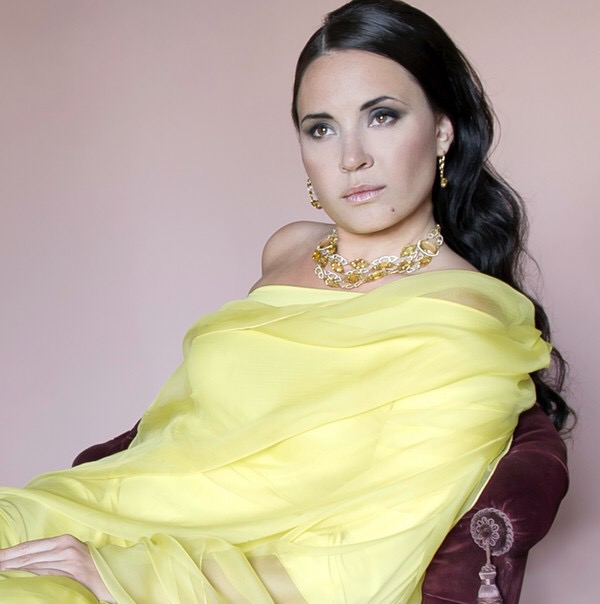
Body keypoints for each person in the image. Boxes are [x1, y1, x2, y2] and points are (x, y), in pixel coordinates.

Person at [0, 1, 572, 602]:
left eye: (382, 116)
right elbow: (187, 439)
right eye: (321, 128)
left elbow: (361, 565)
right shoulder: (287, 248)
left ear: (442, 131)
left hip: (216, 573)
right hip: (107, 509)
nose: (350, 157)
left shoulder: (465, 323)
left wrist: (127, 573)